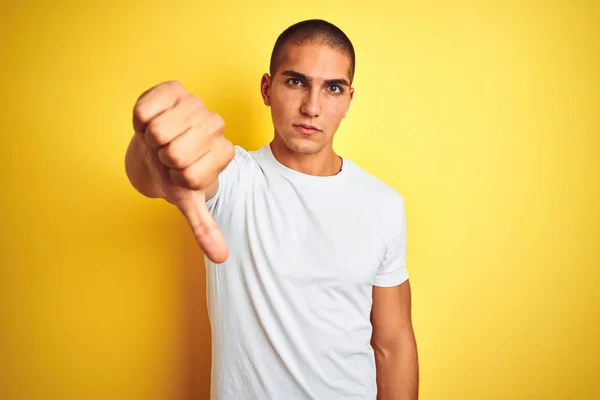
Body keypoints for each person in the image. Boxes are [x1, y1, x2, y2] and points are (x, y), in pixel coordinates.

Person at [126, 18, 419, 400]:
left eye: (332, 88)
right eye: (296, 81)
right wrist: (152, 148)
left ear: (348, 100)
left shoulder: (383, 204)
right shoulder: (234, 178)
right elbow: (156, 174)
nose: (312, 107)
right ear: (267, 88)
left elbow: (393, 344)